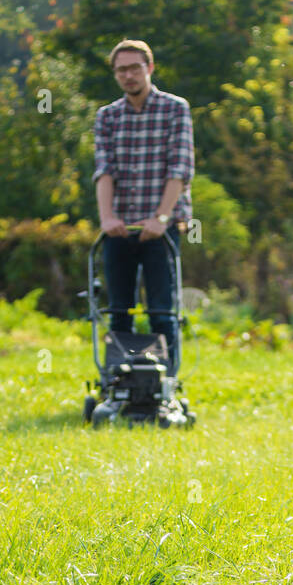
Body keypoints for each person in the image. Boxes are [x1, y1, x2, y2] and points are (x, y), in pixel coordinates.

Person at [92, 39, 194, 375]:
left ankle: (165, 380)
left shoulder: (175, 108)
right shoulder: (107, 116)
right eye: (121, 70)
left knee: (161, 310)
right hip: (120, 227)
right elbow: (104, 170)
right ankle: (119, 380)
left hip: (161, 229)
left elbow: (179, 169)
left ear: (149, 68)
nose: (128, 75)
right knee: (118, 309)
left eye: (135, 67)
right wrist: (107, 218)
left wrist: (161, 218)